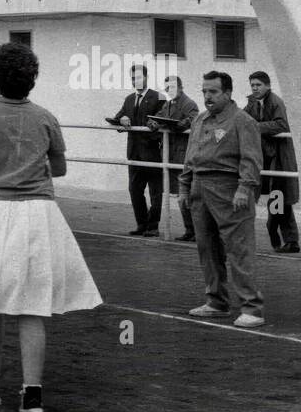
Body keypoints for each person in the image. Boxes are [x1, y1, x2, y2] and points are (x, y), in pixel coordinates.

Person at [0, 42, 102, 412]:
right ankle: (32, 394)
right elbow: (58, 169)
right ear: (32, 79)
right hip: (39, 213)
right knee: (32, 306)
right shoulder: (46, 116)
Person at [178, 70, 265, 328]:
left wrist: (244, 188)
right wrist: (184, 188)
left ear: (227, 93)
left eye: (213, 92)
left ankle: (252, 308)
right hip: (200, 187)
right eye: (204, 91)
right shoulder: (200, 120)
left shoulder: (243, 121)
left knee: (239, 249)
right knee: (207, 248)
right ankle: (216, 301)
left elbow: (251, 159)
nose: (207, 97)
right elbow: (190, 156)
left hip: (229, 188)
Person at [244, 71, 299, 253]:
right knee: (271, 198)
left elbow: (282, 124)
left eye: (258, 85)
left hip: (279, 159)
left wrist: (256, 127)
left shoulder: (276, 102)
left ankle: (288, 239)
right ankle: (285, 239)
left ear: (267, 85)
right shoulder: (252, 103)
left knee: (279, 200)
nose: (255, 88)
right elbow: (243, 119)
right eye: (252, 85)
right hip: (263, 157)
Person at [111, 64, 165, 237]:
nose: (136, 81)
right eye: (133, 78)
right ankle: (141, 223)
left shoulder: (158, 97)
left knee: (155, 191)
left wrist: (155, 128)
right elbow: (117, 118)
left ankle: (153, 225)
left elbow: (164, 120)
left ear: (147, 77)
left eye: (139, 77)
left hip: (152, 152)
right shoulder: (128, 99)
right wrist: (122, 119)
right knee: (134, 189)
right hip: (133, 152)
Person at [152, 75, 199, 242]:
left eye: (171, 88)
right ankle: (190, 229)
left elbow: (194, 119)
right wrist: (155, 124)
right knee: (181, 196)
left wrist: (179, 124)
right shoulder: (168, 104)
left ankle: (195, 230)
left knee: (185, 194)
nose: (168, 91)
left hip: (182, 154)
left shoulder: (189, 103)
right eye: (166, 88)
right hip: (171, 154)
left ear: (180, 87)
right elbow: (156, 117)